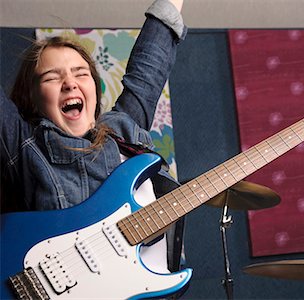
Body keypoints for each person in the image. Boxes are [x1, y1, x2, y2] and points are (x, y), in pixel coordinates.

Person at [0, 0, 186, 280]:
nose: (70, 83)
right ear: (32, 99)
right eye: (52, 77)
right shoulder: (24, 147)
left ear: (94, 90)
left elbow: (150, 62)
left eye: (81, 73)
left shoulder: (124, 129)